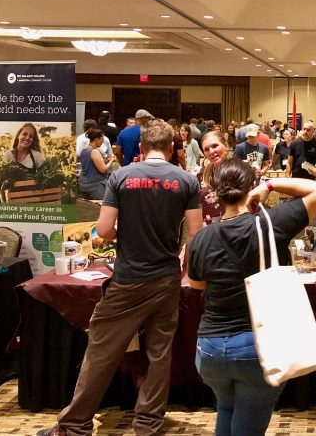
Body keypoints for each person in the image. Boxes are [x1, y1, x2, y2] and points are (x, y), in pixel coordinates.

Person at [37, 120, 202, 436]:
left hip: (128, 279)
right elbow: (196, 232)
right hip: (166, 279)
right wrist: (184, 267)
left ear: (141, 147)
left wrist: (121, 233)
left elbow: (104, 229)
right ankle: (148, 424)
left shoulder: (121, 177)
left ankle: (74, 425)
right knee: (159, 353)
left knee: (101, 351)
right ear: (171, 148)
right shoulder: (186, 180)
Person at [186, 159, 316, 436]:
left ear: (216, 190)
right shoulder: (270, 223)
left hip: (210, 349)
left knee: (226, 408)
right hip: (256, 347)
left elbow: (196, 284)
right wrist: (269, 185)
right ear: (251, 186)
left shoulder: (202, 237)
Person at [199, 131, 232, 226]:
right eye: (206, 149)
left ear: (226, 145)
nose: (211, 151)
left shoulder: (241, 171)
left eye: (215, 146)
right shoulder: (202, 174)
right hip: (209, 228)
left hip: (235, 228)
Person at [78, 129, 114, 200]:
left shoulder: (84, 150)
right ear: (96, 139)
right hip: (95, 187)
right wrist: (112, 160)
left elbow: (91, 164)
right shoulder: (94, 152)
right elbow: (103, 169)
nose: (103, 141)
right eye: (102, 139)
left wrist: (106, 161)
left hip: (83, 184)